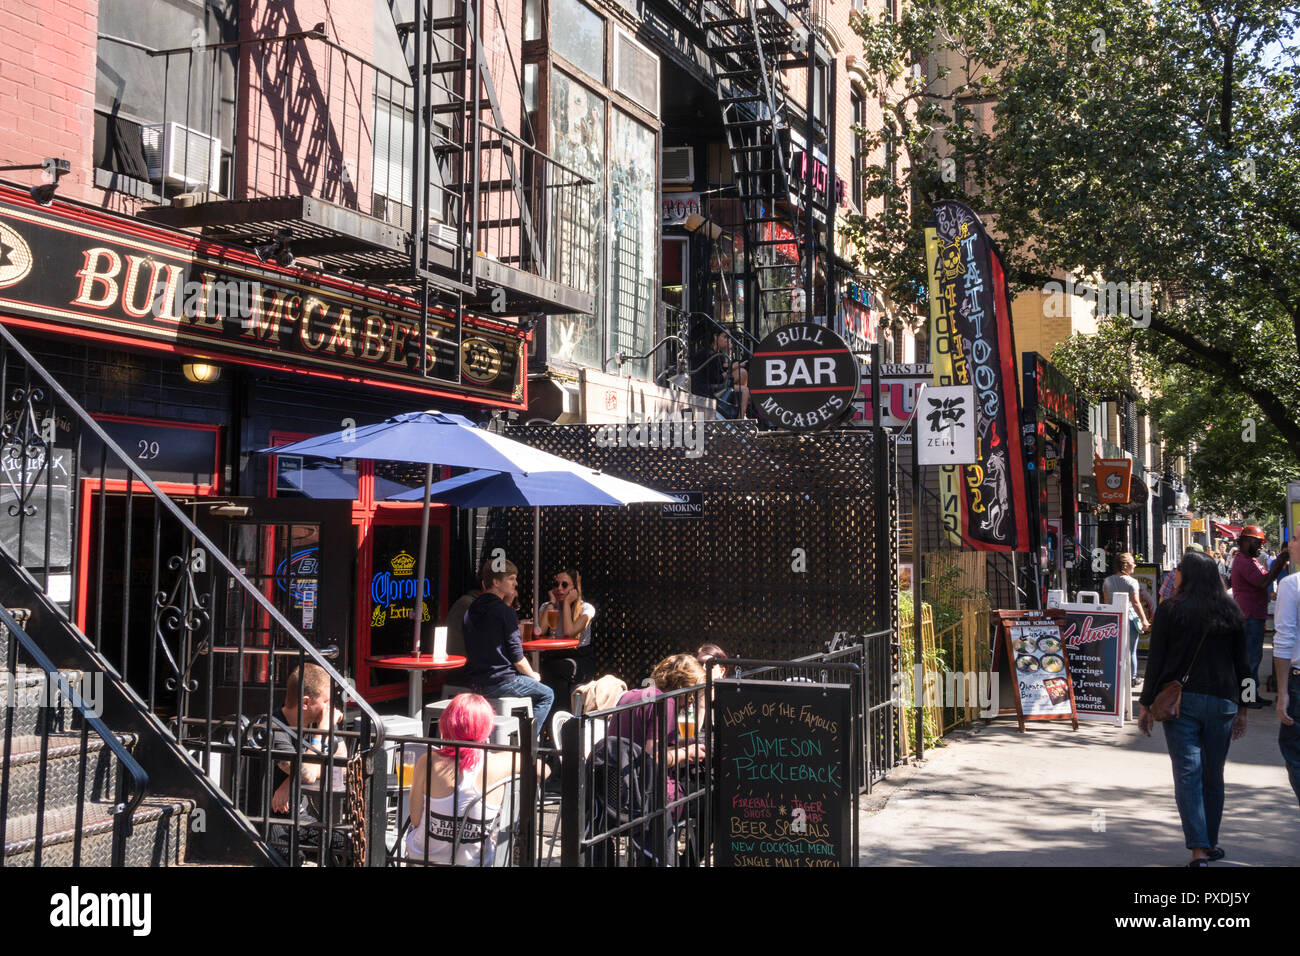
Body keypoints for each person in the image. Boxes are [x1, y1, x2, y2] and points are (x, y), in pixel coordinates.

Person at [1138, 550, 1250, 866]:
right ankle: (1210, 842)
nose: (1175, 574)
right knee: (1213, 775)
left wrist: (1146, 704)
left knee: (1188, 773)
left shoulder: (1170, 609)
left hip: (1180, 703)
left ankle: (1199, 850)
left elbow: (1156, 661)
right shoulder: (1232, 611)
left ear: (1188, 576)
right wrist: (1245, 708)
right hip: (1223, 702)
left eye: (1179, 570)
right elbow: (1245, 666)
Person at [246, 663, 350, 862]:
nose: (329, 708)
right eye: (326, 701)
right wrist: (322, 732)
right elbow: (307, 774)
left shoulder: (314, 723)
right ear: (305, 702)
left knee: (346, 847)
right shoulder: (273, 728)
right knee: (293, 858)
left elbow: (341, 764)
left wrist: (289, 782)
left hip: (301, 817)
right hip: (272, 819)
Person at [406, 693, 519, 866]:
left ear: (447, 723)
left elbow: (415, 818)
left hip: (426, 858)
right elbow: (543, 768)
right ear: (487, 725)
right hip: (475, 861)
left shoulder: (429, 760)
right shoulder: (501, 762)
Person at [462, 559, 553, 738]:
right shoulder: (505, 612)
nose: (516, 583)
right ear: (496, 582)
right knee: (547, 694)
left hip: (476, 682)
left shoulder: (471, 609)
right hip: (501, 682)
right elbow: (518, 659)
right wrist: (534, 676)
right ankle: (527, 743)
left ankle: (509, 734)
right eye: (511, 578)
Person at [1230, 526, 1290, 708]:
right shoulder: (1244, 562)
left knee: (1253, 657)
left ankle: (1252, 694)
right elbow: (1263, 582)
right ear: (1246, 541)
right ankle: (1247, 697)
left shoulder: (1248, 560)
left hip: (1253, 615)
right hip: (1249, 616)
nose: (1260, 547)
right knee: (1250, 659)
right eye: (1258, 543)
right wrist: (1279, 562)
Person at [535, 568, 597, 706]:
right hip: (554, 656)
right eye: (556, 584)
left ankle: (558, 718)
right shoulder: (547, 606)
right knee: (550, 671)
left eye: (564, 585)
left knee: (554, 669)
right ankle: (559, 719)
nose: (559, 588)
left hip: (579, 659)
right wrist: (551, 604)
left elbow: (569, 633)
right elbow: (539, 632)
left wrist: (567, 604)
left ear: (574, 589)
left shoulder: (586, 609)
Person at [1273, 536, 1300, 806]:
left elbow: (1283, 638)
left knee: (1295, 751)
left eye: (1294, 538)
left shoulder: (1292, 585)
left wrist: (1282, 693)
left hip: (1298, 681)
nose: (1290, 544)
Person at [1103, 552, 1150, 686]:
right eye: (1131, 563)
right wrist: (1144, 620)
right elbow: (1135, 603)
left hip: (1113, 617)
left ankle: (1114, 674)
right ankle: (1133, 677)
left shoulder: (1107, 581)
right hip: (1129, 617)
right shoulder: (1132, 582)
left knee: (1115, 648)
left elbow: (1106, 603)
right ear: (1124, 566)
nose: (1134, 565)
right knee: (1131, 650)